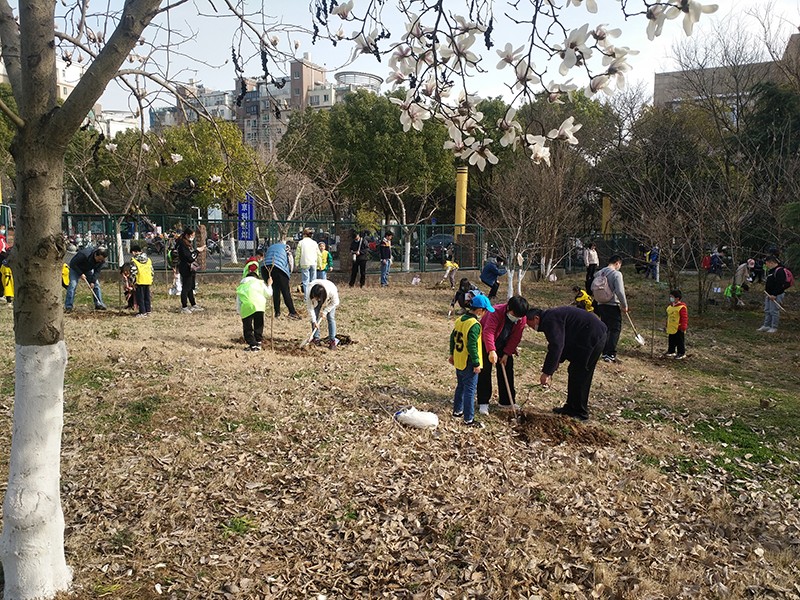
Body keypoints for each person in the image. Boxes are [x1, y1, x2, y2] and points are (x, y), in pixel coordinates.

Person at [525, 306, 608, 421]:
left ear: (536, 318)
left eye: (530, 325)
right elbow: (563, 340)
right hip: (583, 336)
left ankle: (580, 412)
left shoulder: (550, 320)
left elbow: (556, 346)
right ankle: (570, 407)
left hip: (593, 336)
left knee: (581, 374)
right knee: (574, 371)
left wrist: (547, 372)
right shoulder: (550, 317)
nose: (532, 328)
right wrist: (557, 361)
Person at [476, 295, 529, 416]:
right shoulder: (495, 311)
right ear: (509, 308)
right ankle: (483, 401)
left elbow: (516, 337)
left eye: (519, 317)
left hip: (504, 344)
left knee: (507, 369)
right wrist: (491, 351)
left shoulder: (521, 318)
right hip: (486, 343)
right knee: (485, 371)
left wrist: (506, 353)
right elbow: (488, 332)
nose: (516, 319)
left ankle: (506, 401)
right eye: (514, 315)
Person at [449, 294, 494, 428]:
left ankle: (457, 411)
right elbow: (472, 345)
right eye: (485, 311)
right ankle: (469, 419)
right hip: (469, 361)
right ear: (479, 311)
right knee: (470, 390)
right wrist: (476, 363)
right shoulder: (475, 325)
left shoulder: (460, 320)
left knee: (461, 386)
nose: (485, 314)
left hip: (459, 359)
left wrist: (452, 354)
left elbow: (453, 338)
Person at [591, 254, 628, 363]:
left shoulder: (599, 273)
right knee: (615, 329)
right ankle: (610, 353)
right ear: (618, 263)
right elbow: (620, 291)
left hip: (600, 304)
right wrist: (624, 305)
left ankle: (602, 351)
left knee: (605, 328)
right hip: (612, 305)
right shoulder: (616, 274)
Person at [237, 261, 273, 352]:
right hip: (260, 306)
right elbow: (269, 294)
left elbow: (239, 300)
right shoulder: (260, 283)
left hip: (247, 307)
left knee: (248, 327)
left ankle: (252, 345)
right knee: (259, 324)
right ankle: (258, 341)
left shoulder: (242, 286)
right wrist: (269, 285)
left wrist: (239, 311)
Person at [263, 241, 301, 320]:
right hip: (279, 268)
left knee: (275, 290)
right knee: (285, 291)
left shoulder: (271, 247)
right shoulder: (286, 247)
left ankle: (277, 313)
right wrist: (289, 272)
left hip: (265, 268)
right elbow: (290, 260)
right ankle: (292, 312)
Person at [65, 246, 108, 312]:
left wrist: (92, 281)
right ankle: (68, 306)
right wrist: (80, 273)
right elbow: (73, 264)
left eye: (101, 260)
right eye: (99, 259)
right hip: (75, 269)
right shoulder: (84, 254)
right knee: (72, 285)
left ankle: (99, 303)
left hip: (88, 269)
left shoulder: (101, 261)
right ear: (96, 255)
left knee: (96, 285)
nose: (100, 261)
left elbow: (97, 271)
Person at [176, 227, 206, 314]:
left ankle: (193, 304)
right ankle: (184, 306)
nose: (193, 237)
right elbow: (189, 257)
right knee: (186, 287)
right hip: (185, 268)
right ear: (186, 235)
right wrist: (197, 251)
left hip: (191, 268)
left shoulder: (187, 243)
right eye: (191, 235)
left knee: (190, 287)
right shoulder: (182, 244)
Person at [306, 279, 340, 350]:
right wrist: (314, 321)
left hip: (330, 299)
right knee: (314, 315)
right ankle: (316, 338)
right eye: (314, 297)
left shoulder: (332, 291)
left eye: (318, 298)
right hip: (320, 295)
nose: (316, 299)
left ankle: (332, 340)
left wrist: (325, 311)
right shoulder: (309, 291)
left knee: (330, 317)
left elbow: (335, 302)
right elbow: (310, 308)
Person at [758, 256, 789, 333]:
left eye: (767, 263)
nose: (766, 265)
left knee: (774, 311)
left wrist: (774, 294)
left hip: (776, 295)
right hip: (769, 294)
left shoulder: (780, 271)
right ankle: (766, 325)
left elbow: (780, 284)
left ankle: (774, 327)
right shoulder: (771, 271)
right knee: (767, 310)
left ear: (771, 263)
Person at [131, 244, 154, 317]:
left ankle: (142, 312)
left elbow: (133, 272)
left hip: (139, 280)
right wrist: (151, 279)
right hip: (148, 279)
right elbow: (152, 270)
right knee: (147, 296)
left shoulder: (134, 260)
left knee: (140, 297)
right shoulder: (148, 259)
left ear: (134, 252)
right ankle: (148, 310)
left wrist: (133, 282)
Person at [664, 289, 688, 359]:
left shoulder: (682, 307)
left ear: (677, 298)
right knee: (671, 339)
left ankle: (681, 353)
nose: (671, 298)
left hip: (679, 327)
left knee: (679, 341)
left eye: (672, 297)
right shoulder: (670, 307)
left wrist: (683, 326)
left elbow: (684, 318)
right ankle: (671, 351)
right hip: (671, 327)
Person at [295, 227, 320, 293]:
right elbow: (318, 254)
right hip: (313, 262)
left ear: (304, 234)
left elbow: (298, 254)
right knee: (313, 281)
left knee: (305, 281)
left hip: (304, 262)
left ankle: (306, 297)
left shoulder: (301, 242)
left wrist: (297, 263)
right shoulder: (314, 243)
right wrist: (319, 263)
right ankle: (313, 295)